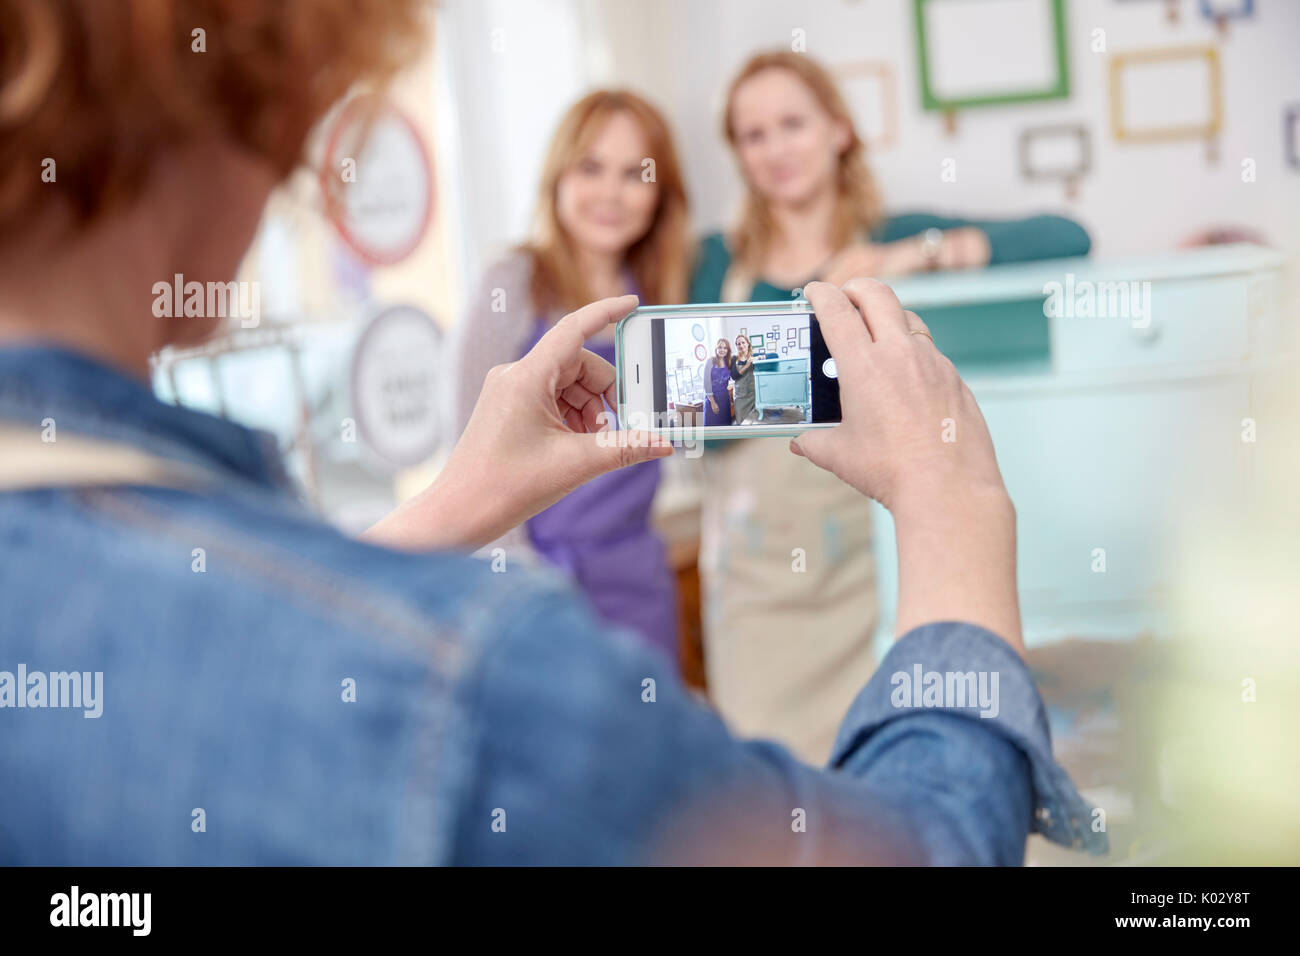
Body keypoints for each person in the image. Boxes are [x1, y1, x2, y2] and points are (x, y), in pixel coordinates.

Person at [0, 0, 1103, 864]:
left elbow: (252, 642)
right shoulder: (485, 677)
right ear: (236, 104)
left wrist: (454, 504)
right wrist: (957, 515)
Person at [689, 50, 1094, 763]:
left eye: (792, 123)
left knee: (885, 777)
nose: (776, 148)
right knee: (771, 786)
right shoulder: (716, 262)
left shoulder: (897, 234)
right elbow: (700, 425)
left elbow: (1068, 239)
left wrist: (914, 257)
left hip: (871, 570)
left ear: (839, 130)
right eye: (753, 135)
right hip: (758, 590)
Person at [451, 90, 688, 661]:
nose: (610, 192)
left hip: (637, 582)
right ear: (557, 177)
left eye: (635, 173)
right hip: (533, 581)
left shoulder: (661, 296)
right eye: (590, 167)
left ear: (660, 194)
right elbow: (466, 446)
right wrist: (519, 583)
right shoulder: (512, 282)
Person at [705, 337, 734, 426]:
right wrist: (713, 403)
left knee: (726, 425)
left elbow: (735, 376)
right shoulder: (710, 361)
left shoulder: (728, 362)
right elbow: (706, 383)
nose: (722, 350)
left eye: (725, 348)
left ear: (728, 350)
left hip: (725, 399)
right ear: (716, 349)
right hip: (712, 400)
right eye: (720, 347)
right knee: (713, 426)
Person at [730, 334, 757, 424]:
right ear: (736, 346)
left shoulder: (754, 356)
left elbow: (774, 355)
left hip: (753, 395)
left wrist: (760, 357)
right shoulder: (734, 359)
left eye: (743, 342)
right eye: (738, 344)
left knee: (753, 421)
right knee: (741, 421)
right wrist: (746, 365)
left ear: (748, 344)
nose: (741, 345)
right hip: (740, 397)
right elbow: (734, 376)